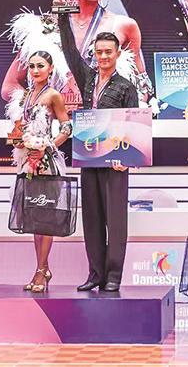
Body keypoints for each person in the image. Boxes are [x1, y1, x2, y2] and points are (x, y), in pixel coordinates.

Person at [2, 0, 151, 110]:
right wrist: (42, 106)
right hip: (55, 123)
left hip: (102, 124)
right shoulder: (41, 29)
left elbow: (142, 88)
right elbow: (9, 86)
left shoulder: (125, 26)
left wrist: (111, 108)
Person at [58, 15, 139, 291]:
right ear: (94, 53)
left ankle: (113, 275)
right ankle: (95, 274)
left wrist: (126, 160)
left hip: (115, 160)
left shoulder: (126, 86)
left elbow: (133, 123)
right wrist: (62, 17)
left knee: (115, 219)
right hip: (89, 156)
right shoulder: (87, 78)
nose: (103, 56)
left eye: (108, 52)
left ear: (118, 54)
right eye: (99, 52)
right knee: (91, 218)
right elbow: (70, 51)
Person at [6, 51, 72, 293]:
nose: (35, 70)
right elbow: (19, 128)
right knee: (34, 219)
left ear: (50, 68)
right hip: (27, 162)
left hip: (46, 164)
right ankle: (42, 268)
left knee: (46, 219)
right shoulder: (24, 96)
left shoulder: (53, 95)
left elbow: (67, 127)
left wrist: (48, 145)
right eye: (32, 66)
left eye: (40, 66)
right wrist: (18, 140)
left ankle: (41, 271)